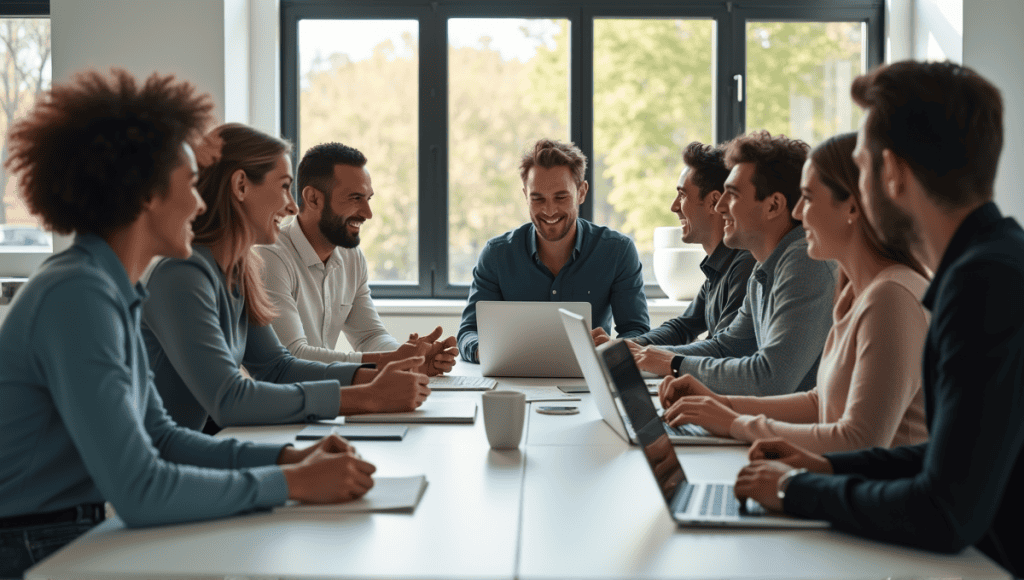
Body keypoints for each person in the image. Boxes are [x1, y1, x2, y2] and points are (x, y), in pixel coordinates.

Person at [0, 70, 374, 578]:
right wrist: (293, 485)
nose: (200, 203)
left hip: (74, 532)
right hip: (36, 546)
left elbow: (164, 437)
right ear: (148, 194)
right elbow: (141, 490)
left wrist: (290, 461)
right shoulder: (78, 296)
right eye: (190, 185)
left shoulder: (111, 288)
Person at [733, 61, 1024, 577]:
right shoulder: (993, 263)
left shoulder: (983, 285)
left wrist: (796, 489)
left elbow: (945, 510)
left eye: (862, 166)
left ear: (892, 173)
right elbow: (953, 457)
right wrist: (827, 467)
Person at [141, 123, 431, 432]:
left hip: (198, 450)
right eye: (283, 187)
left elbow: (277, 368)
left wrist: (377, 375)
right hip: (161, 465)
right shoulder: (182, 277)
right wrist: (366, 397)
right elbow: (229, 401)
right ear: (240, 186)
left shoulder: (238, 271)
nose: (292, 206)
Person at [657, 132, 929, 454]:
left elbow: (859, 443)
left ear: (852, 207)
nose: (798, 212)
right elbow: (820, 402)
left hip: (875, 496)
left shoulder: (891, 297)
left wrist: (734, 423)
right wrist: (720, 403)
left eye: (809, 198)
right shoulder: (851, 292)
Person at [634, 131, 837, 396]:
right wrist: (643, 355)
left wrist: (670, 362)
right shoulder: (764, 268)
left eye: (733, 195)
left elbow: (770, 378)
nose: (720, 208)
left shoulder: (806, 262)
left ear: (773, 205)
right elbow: (726, 347)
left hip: (807, 432)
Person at [255, 142, 456, 374]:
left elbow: (370, 336)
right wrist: (390, 361)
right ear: (313, 199)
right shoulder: (269, 257)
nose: (367, 214)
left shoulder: (352, 258)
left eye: (368, 199)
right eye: (355, 198)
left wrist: (410, 360)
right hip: (280, 404)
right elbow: (294, 356)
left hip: (325, 398)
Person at [457, 138, 649, 363]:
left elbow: (638, 332)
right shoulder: (497, 255)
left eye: (561, 197)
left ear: (582, 192)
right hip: (515, 377)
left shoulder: (617, 251)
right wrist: (485, 351)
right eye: (537, 199)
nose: (549, 210)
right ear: (525, 196)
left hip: (588, 380)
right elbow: (469, 331)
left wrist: (612, 349)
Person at [594, 141, 755, 348]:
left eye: (683, 195)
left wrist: (649, 356)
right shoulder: (718, 267)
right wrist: (624, 346)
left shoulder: (744, 265)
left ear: (713, 202)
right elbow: (682, 328)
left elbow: (722, 349)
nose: (674, 207)